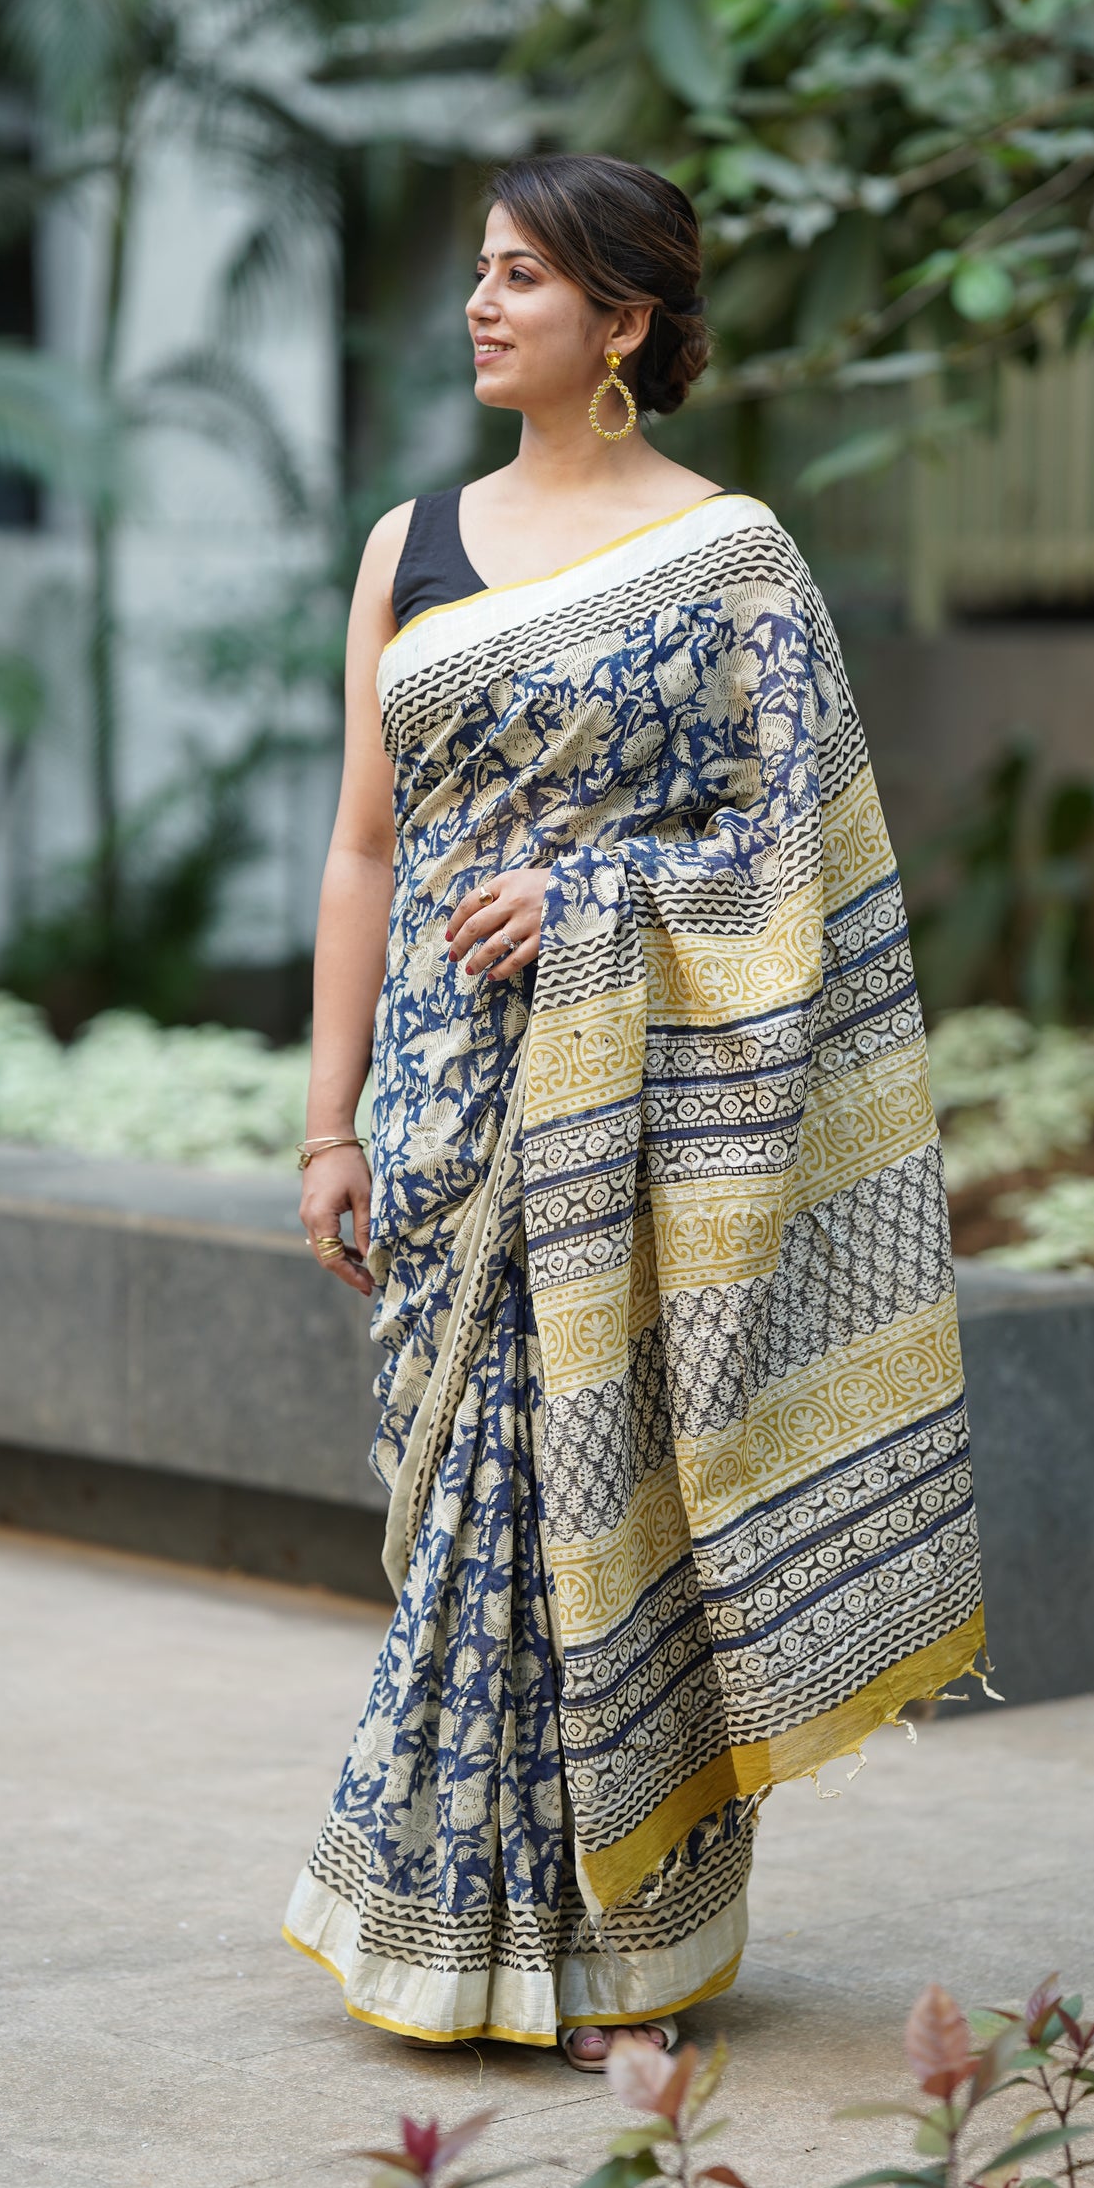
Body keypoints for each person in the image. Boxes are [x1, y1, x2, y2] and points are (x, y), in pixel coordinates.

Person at [283, 151, 987, 2072]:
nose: (481, 306)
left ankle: (615, 1960)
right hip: (445, 1115)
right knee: (472, 1526)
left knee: (608, 1502)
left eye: (524, 278)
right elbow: (365, 850)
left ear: (626, 320)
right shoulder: (407, 540)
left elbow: (803, 860)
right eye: (478, 276)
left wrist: (599, 904)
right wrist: (329, 1119)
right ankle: (450, 1928)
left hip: (652, 1122)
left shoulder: (732, 558)